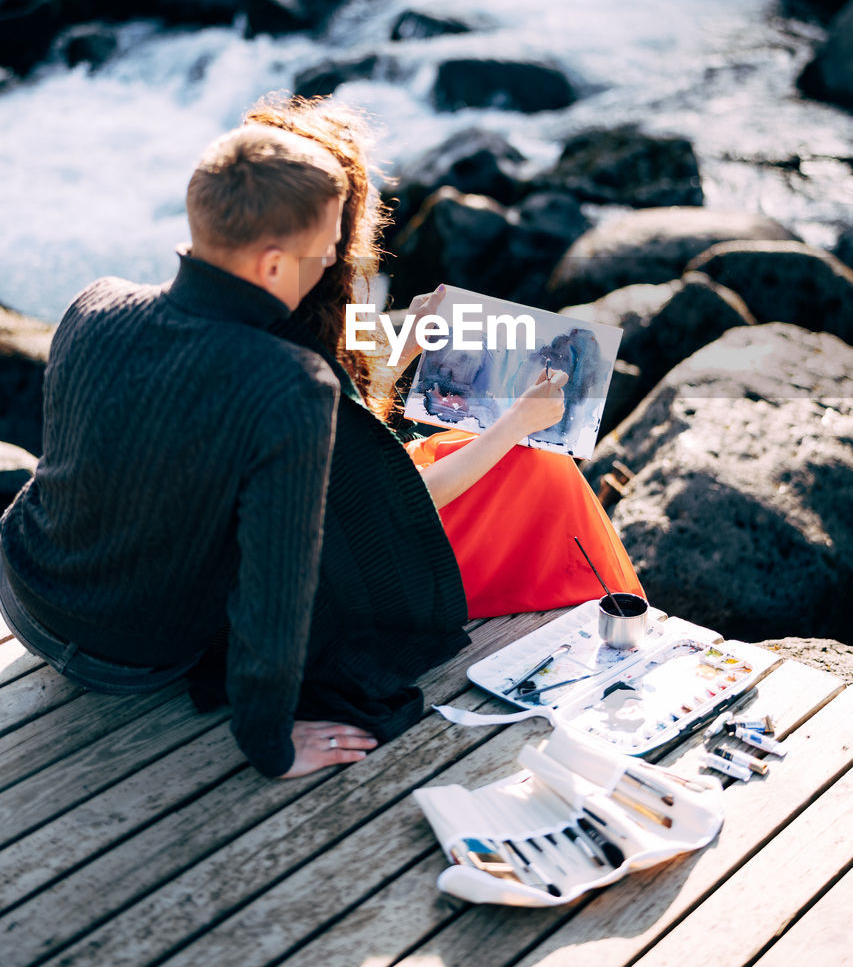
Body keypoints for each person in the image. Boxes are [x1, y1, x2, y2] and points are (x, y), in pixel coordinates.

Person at [0, 124, 428, 779]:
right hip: (128, 656)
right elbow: (276, 589)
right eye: (324, 253)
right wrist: (271, 743)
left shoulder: (95, 301)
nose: (330, 262)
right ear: (274, 265)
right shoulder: (290, 383)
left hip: (24, 593)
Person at [243, 94, 645, 619]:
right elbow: (399, 501)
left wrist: (406, 343)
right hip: (350, 578)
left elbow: (349, 419)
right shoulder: (290, 336)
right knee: (542, 470)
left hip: (335, 531)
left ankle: (597, 606)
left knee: (518, 458)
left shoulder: (278, 293)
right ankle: (605, 615)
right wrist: (517, 419)